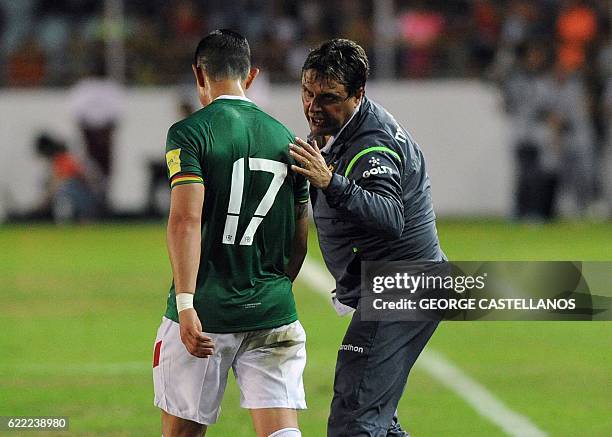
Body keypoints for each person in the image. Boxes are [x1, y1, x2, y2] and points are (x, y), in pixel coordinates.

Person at [153, 29, 309, 437]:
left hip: (207, 311)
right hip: (273, 309)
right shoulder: (287, 140)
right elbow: (300, 230)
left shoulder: (190, 133)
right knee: (281, 431)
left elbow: (185, 220)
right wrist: (275, 288)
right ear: (251, 76)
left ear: (198, 75)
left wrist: (186, 303)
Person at [289, 39, 445, 436]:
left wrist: (330, 181)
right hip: (407, 285)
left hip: (401, 289)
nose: (313, 106)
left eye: (328, 98)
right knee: (377, 422)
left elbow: (391, 215)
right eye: (307, 92)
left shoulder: (370, 144)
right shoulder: (348, 129)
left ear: (359, 94)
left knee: (354, 419)